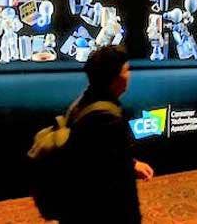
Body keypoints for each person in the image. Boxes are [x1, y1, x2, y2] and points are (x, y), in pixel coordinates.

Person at [60, 46, 153, 224]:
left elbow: (104, 155)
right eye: (126, 70)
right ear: (114, 78)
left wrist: (132, 164)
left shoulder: (84, 102)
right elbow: (114, 179)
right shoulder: (107, 119)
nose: (129, 75)